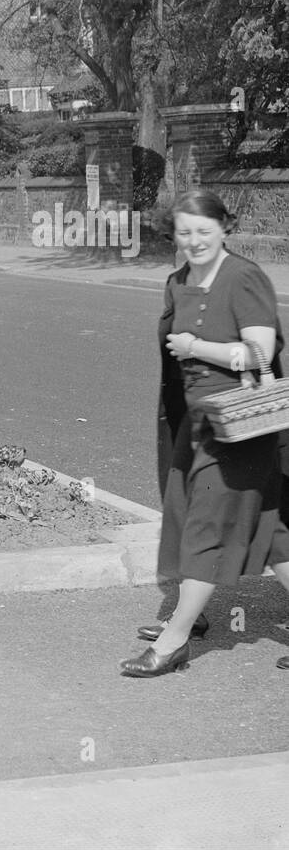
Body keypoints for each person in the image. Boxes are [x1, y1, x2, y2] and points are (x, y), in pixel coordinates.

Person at [123, 190, 289, 677]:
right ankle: (186, 616)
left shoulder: (243, 277)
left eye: (203, 230)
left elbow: (259, 355)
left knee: (205, 527)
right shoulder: (177, 280)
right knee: (272, 532)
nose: (193, 241)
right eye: (184, 231)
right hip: (194, 423)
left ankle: (174, 641)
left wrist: (199, 346)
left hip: (241, 427)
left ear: (224, 227)